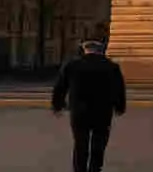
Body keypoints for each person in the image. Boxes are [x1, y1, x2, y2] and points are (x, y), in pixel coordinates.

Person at [51, 40, 126, 172]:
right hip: (102, 110)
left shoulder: (72, 65)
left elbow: (60, 87)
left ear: (85, 50)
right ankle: (95, 168)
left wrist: (57, 104)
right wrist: (120, 106)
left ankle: (79, 169)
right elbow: (119, 89)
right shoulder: (111, 66)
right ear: (100, 50)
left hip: (79, 111)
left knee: (80, 142)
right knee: (99, 142)